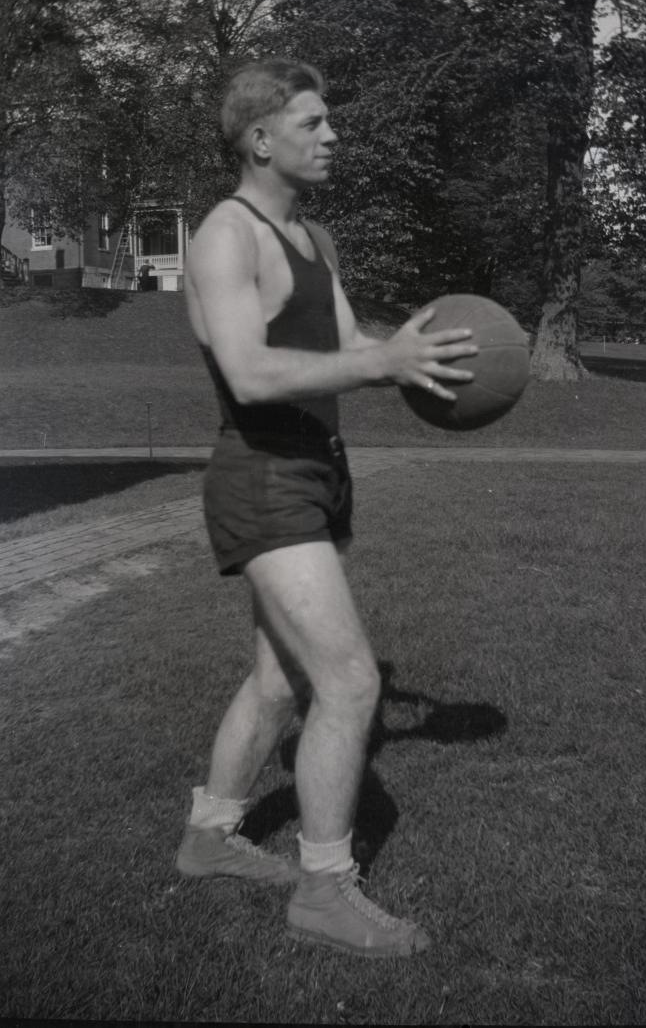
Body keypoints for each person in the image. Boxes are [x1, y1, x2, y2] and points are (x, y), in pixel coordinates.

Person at [178, 57, 478, 957]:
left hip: (317, 468)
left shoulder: (315, 238)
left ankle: (208, 836)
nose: (332, 135)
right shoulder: (226, 236)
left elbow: (350, 345)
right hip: (263, 475)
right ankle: (324, 888)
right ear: (261, 139)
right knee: (349, 680)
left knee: (280, 680)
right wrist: (376, 366)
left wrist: (416, 357)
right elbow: (250, 372)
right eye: (313, 123)